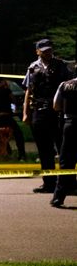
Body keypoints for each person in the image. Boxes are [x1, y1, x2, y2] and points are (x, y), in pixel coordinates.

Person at [23, 39, 68, 194]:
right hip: (39, 111)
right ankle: (49, 183)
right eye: (44, 50)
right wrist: (25, 113)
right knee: (44, 150)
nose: (47, 53)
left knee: (63, 149)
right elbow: (28, 91)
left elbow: (68, 89)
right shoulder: (32, 67)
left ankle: (66, 184)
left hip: (58, 112)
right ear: (37, 51)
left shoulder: (61, 65)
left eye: (49, 50)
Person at [50, 74, 77, 208]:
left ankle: (58, 197)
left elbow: (56, 106)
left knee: (66, 161)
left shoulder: (65, 84)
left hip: (70, 124)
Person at [0, 78, 26, 160]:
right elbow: (14, 100)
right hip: (6, 117)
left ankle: (7, 152)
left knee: (2, 136)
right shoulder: (6, 91)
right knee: (18, 134)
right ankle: (22, 154)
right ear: (1, 82)